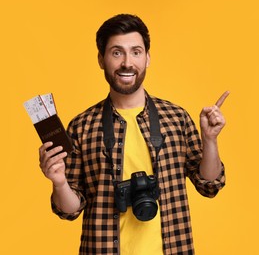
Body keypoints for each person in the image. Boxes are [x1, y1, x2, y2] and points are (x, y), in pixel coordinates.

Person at [38, 13, 228, 255]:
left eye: (136, 52)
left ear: (147, 58)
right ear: (101, 59)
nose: (127, 62)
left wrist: (210, 140)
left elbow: (209, 184)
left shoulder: (176, 118)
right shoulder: (81, 127)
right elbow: (70, 209)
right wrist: (59, 182)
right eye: (117, 52)